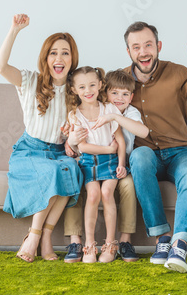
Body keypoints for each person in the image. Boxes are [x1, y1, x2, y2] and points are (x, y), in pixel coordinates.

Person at [123, 21, 187, 273]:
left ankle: (179, 243)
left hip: (180, 152)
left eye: (148, 45)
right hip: (146, 156)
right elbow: (95, 108)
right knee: (139, 156)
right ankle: (162, 238)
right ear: (129, 52)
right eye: (136, 47)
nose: (143, 52)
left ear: (158, 46)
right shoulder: (121, 81)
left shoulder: (178, 73)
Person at [0, 14, 83, 263]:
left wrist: (72, 139)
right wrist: (14, 30)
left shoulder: (77, 89)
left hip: (58, 152)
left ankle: (45, 235)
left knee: (70, 169)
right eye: (53, 53)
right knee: (51, 172)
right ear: (46, 58)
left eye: (65, 53)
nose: (59, 58)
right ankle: (34, 237)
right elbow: (0, 67)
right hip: (29, 151)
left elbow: (83, 127)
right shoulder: (30, 81)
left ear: (72, 59)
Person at [63, 70, 149, 263]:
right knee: (92, 194)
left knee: (107, 193)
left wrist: (120, 164)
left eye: (92, 85)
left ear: (100, 85)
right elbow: (83, 146)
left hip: (111, 163)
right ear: (74, 90)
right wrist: (108, 150)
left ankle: (111, 244)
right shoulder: (75, 115)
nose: (88, 90)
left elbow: (121, 141)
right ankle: (89, 245)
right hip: (89, 161)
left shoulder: (110, 110)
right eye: (82, 87)